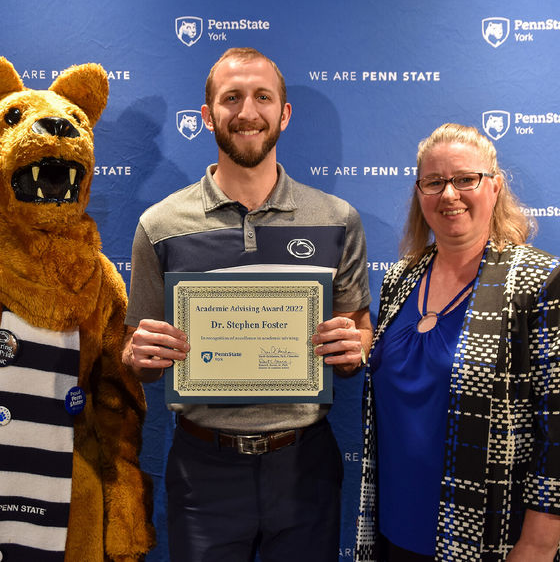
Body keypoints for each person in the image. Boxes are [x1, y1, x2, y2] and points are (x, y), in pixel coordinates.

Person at [122, 47, 372, 561]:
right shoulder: (160, 225)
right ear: (207, 116)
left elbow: (358, 330)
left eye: (263, 97)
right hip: (202, 467)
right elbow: (135, 348)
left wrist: (354, 348)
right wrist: (137, 357)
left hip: (305, 465)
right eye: (230, 98)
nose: (247, 112)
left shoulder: (338, 218)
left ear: (283, 114)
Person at [355, 123, 560, 561]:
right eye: (434, 182)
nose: (449, 194)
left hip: (491, 538)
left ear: (495, 187)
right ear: (419, 193)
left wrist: (537, 545)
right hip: (394, 529)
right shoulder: (399, 281)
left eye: (466, 179)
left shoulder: (544, 281)